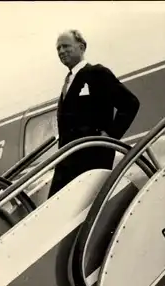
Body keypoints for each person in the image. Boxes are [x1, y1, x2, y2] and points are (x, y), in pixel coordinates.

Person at [48, 30, 140, 198]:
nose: (61, 51)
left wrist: (110, 135)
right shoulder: (68, 82)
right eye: (58, 48)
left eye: (66, 46)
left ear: (81, 47)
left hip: (91, 159)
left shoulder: (97, 73)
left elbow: (130, 103)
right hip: (67, 163)